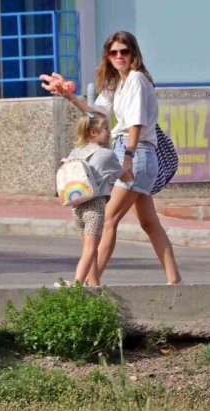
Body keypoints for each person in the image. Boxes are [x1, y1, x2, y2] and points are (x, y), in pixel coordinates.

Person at [46, 31, 182, 285]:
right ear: (108, 56)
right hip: (133, 153)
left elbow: (136, 123)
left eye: (124, 51)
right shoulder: (116, 84)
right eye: (114, 52)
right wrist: (69, 95)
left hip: (136, 152)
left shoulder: (137, 79)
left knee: (107, 218)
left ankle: (89, 283)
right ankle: (174, 281)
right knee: (149, 223)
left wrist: (127, 159)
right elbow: (97, 114)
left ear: (134, 54)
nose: (119, 56)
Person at [60, 112, 122, 287]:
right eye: (106, 128)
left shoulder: (75, 152)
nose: (109, 132)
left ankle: (94, 283)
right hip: (94, 206)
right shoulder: (106, 154)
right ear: (93, 132)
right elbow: (123, 175)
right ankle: (77, 284)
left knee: (88, 247)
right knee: (90, 249)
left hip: (77, 206)